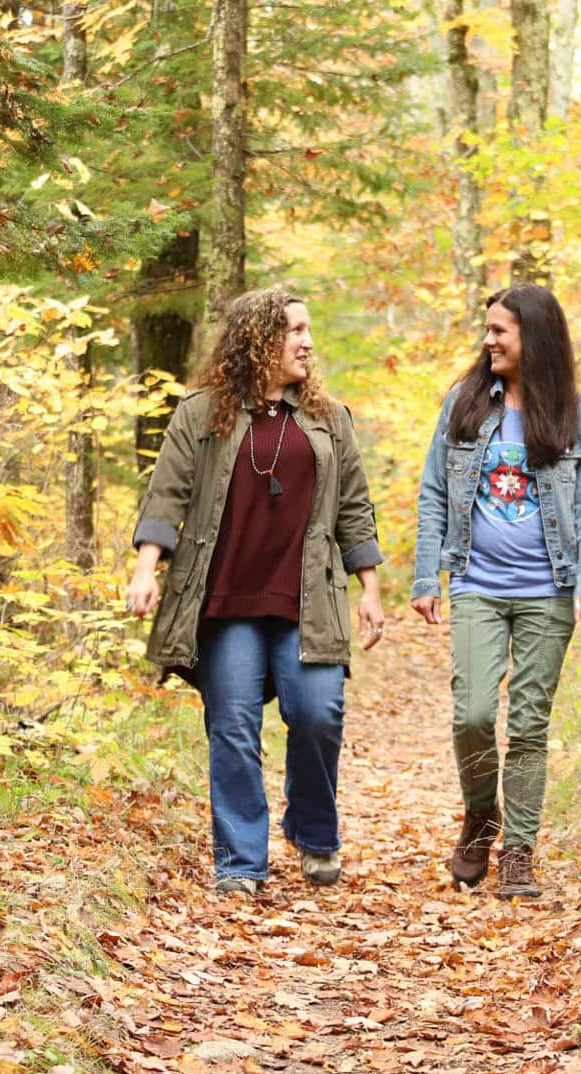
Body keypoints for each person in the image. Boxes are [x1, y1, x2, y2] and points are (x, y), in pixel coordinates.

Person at [125, 287, 386, 897]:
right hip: (226, 601)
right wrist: (146, 568)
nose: (307, 341)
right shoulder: (201, 413)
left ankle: (314, 832)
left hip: (308, 599)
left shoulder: (329, 417)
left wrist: (369, 587)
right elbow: (166, 494)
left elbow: (354, 506)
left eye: (309, 329)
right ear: (259, 338)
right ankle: (241, 862)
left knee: (319, 713)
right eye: (294, 329)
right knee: (234, 726)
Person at [410, 284, 581, 898]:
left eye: (500, 331)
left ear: (535, 338)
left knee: (528, 722)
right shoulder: (464, 403)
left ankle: (518, 851)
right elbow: (434, 492)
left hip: (548, 589)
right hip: (476, 582)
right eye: (487, 329)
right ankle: (480, 816)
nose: (488, 340)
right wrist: (426, 575)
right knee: (472, 713)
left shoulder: (579, 416)